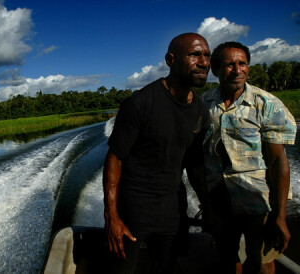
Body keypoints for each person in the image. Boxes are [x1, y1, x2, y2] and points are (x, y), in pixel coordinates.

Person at [103, 33, 211, 273]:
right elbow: (114, 158)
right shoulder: (140, 103)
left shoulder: (202, 111)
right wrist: (111, 216)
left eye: (206, 55)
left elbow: (194, 164)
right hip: (134, 211)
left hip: (173, 211)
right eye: (195, 55)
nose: (203, 62)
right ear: (170, 60)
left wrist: (208, 203)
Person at [201, 41, 297, 273]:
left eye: (242, 64)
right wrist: (206, 204)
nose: (237, 70)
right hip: (219, 200)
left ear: (249, 67)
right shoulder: (203, 105)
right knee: (227, 258)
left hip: (258, 201)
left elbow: (278, 162)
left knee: (263, 261)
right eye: (229, 65)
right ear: (215, 69)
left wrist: (280, 215)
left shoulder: (267, 104)